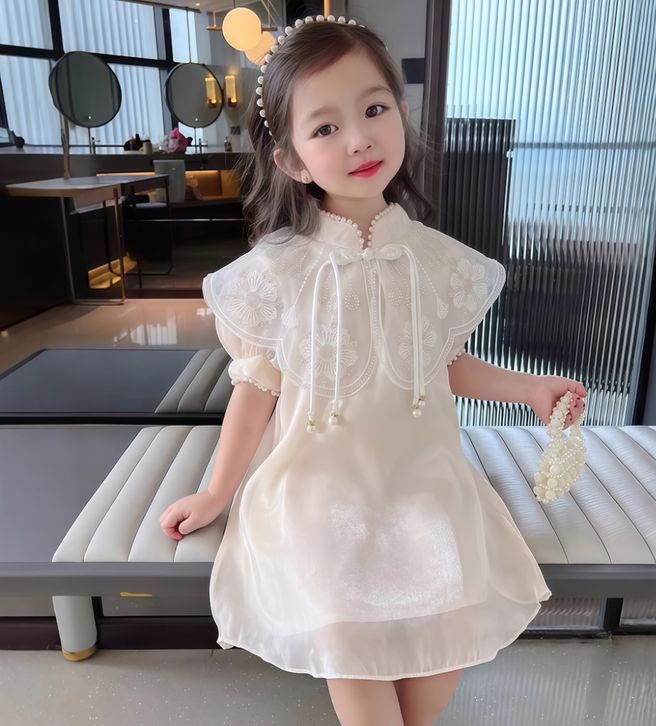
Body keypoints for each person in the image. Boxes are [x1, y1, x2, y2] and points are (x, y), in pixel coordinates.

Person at [159, 15, 587, 726]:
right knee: (348, 639)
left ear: (402, 114)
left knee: (443, 634)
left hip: (422, 480)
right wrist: (216, 492)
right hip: (317, 488)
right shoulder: (278, 270)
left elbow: (441, 363)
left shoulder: (437, 260)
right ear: (292, 159)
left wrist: (532, 390)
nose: (357, 138)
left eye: (374, 109)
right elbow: (257, 387)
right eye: (325, 127)